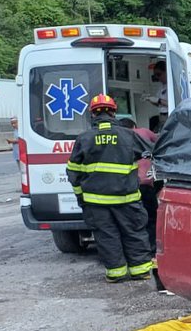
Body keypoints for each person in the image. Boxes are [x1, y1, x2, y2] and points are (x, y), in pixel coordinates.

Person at [67, 95, 154, 282]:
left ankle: (116, 274)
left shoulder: (84, 138)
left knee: (107, 236)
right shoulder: (128, 135)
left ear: (93, 114)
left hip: (95, 202)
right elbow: (151, 152)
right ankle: (140, 270)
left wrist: (81, 197)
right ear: (114, 112)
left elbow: (73, 172)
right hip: (127, 199)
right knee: (134, 232)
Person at [117, 114, 160, 254]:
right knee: (151, 218)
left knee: (131, 220)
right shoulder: (144, 132)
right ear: (134, 126)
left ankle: (134, 249)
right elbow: (160, 142)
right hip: (146, 184)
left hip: (127, 187)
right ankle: (152, 248)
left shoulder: (118, 139)